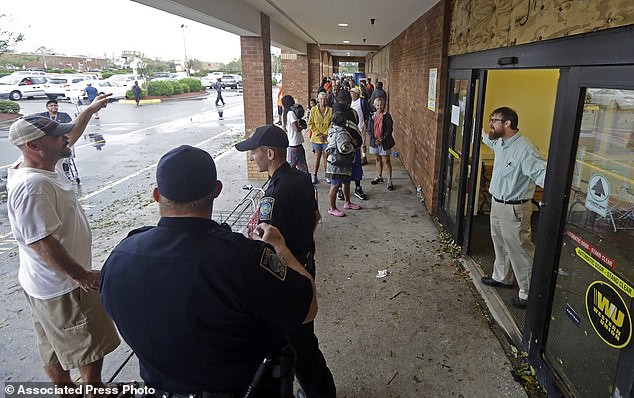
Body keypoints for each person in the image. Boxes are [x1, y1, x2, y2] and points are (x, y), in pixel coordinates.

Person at [100, 145, 317, 397]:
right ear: (217, 190)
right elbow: (308, 308)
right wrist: (280, 248)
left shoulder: (121, 257)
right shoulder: (243, 260)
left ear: (157, 195)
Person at [6, 95, 122, 395]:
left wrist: (89, 111)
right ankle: (93, 390)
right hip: (63, 288)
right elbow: (40, 243)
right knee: (89, 347)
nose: (65, 139)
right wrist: (79, 276)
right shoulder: (34, 186)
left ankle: (65, 390)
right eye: (56, 137)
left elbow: (70, 136)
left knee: (54, 346)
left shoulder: (41, 163)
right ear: (34, 146)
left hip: (42, 286)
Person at [235, 125, 336, 398]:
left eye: (254, 152)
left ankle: (319, 393)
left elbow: (267, 241)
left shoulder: (273, 194)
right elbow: (315, 217)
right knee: (305, 334)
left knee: (296, 342)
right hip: (306, 262)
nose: (252, 157)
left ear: (269, 154)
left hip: (286, 271)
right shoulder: (302, 179)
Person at [479, 107, 546, 309]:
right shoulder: (502, 142)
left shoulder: (525, 148)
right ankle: (502, 277)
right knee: (499, 242)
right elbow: (488, 139)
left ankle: (528, 293)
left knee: (520, 250)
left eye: (494, 120)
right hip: (498, 205)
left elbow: (543, 175)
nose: (491, 124)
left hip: (515, 209)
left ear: (507, 123)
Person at [332, 89, 366, 202]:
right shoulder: (339, 112)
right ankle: (350, 189)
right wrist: (352, 140)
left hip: (349, 147)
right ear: (348, 100)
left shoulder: (349, 111)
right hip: (345, 147)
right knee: (347, 170)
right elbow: (341, 130)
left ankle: (352, 189)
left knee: (349, 170)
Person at [325, 111, 358, 217]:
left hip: (338, 163)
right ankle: (332, 208)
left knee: (346, 182)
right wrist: (353, 145)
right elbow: (343, 148)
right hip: (338, 164)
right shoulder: (341, 133)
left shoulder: (332, 130)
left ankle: (347, 202)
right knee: (335, 185)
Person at [368, 97, 396, 191]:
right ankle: (379, 176)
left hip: (384, 141)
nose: (380, 107)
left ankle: (389, 180)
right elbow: (369, 129)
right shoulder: (372, 116)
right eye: (378, 105)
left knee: (386, 160)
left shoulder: (387, 116)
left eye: (381, 105)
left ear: (384, 105)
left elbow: (389, 130)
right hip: (375, 141)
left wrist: (382, 139)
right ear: (375, 106)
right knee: (377, 159)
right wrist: (373, 138)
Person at [308, 91, 332, 184]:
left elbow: (332, 123)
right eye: (321, 99)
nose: (323, 101)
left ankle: (327, 175)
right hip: (316, 138)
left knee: (326, 157)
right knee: (317, 157)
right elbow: (310, 124)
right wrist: (319, 134)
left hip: (326, 138)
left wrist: (325, 134)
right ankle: (314, 175)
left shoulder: (330, 110)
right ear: (318, 100)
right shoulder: (313, 110)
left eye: (325, 99)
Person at [281, 94, 309, 173]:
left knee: (297, 165)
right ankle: (305, 183)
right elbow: (296, 129)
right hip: (296, 144)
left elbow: (285, 129)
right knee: (300, 166)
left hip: (291, 144)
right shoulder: (291, 113)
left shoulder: (284, 114)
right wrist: (303, 127)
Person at [350, 87, 369, 168]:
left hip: (361, 125)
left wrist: (366, 121)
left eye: (352, 93)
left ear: (356, 94)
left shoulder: (362, 101)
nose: (351, 94)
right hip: (353, 126)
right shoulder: (351, 101)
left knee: (363, 142)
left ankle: (364, 157)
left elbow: (367, 111)